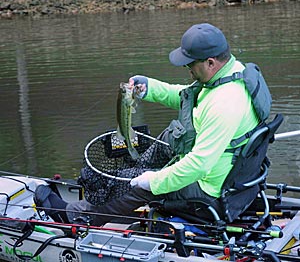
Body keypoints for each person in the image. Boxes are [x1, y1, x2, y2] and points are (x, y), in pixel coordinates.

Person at [34, 23, 260, 226]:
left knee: (141, 187)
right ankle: (130, 179)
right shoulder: (232, 73)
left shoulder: (225, 104)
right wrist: (150, 88)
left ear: (210, 63)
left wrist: (154, 181)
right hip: (229, 174)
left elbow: (198, 165)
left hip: (210, 189)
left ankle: (76, 217)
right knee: (172, 135)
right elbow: (188, 97)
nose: (187, 69)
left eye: (190, 64)